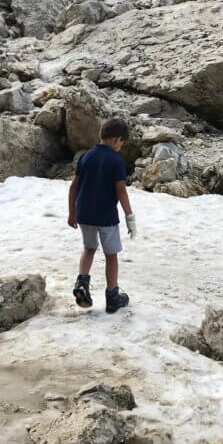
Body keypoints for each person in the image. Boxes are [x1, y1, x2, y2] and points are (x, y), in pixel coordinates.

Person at [68, 117, 137, 313]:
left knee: (89, 248)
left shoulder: (86, 156)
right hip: (106, 216)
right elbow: (121, 191)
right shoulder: (116, 161)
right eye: (122, 143)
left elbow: (74, 186)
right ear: (117, 139)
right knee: (111, 255)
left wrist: (72, 213)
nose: (121, 147)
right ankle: (112, 295)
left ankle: (82, 283)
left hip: (84, 213)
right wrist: (129, 217)